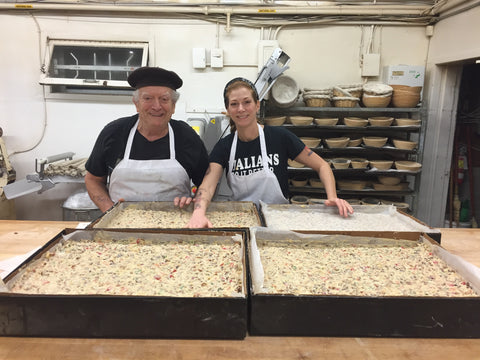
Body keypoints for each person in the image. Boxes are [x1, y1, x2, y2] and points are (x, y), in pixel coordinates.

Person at [176, 77, 353, 228]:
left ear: (257, 105)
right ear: (228, 110)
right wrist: (198, 213)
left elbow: (322, 165)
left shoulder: (280, 137)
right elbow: (207, 185)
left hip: (280, 219)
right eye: (234, 104)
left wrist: (332, 198)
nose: (241, 109)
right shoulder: (224, 146)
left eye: (247, 102)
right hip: (243, 220)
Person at [85, 66, 209, 212]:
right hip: (121, 226)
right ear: (136, 103)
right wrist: (110, 211)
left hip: (177, 225)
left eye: (164, 99)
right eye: (148, 98)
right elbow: (93, 180)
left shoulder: (186, 136)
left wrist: (195, 203)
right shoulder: (114, 133)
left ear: (173, 105)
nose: (156, 106)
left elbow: (207, 184)